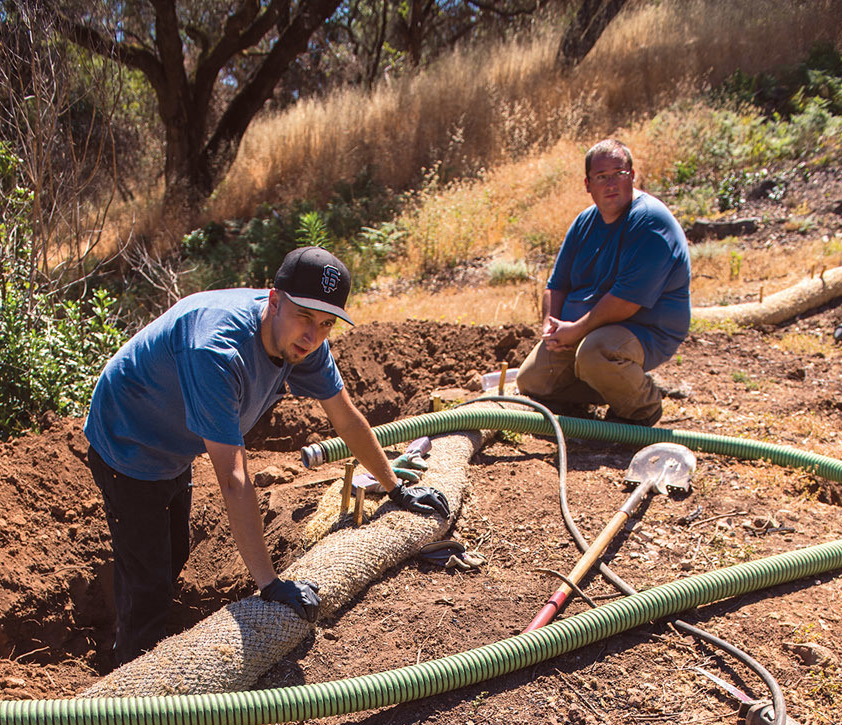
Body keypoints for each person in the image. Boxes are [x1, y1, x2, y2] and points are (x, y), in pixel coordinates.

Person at [85, 246, 449, 666]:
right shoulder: (217, 352)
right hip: (128, 439)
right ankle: (128, 677)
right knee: (148, 581)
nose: (312, 336)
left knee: (172, 555)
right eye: (304, 317)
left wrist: (396, 489)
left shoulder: (302, 343)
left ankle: (133, 634)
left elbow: (346, 419)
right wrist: (270, 583)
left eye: (326, 324)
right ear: (274, 300)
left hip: (175, 443)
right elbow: (233, 479)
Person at [516, 139, 691, 427]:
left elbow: (625, 302)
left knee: (596, 352)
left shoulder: (649, 221)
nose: (611, 184)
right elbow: (556, 284)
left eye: (618, 174)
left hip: (644, 327)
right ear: (588, 184)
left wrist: (576, 330)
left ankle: (642, 408)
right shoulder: (585, 222)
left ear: (632, 176)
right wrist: (551, 326)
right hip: (586, 328)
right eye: (601, 176)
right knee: (533, 381)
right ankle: (604, 395)